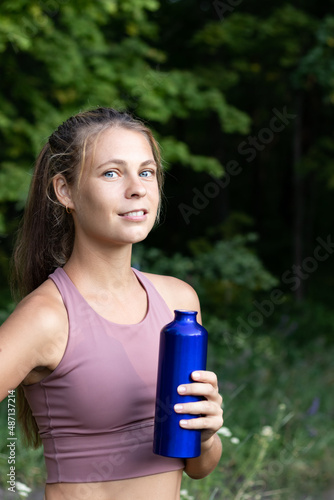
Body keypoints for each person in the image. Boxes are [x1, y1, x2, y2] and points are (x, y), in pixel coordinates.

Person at [0, 107, 223, 500]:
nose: (137, 188)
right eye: (111, 173)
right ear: (64, 191)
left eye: (147, 172)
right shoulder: (47, 316)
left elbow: (197, 468)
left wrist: (205, 435)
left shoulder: (178, 302)